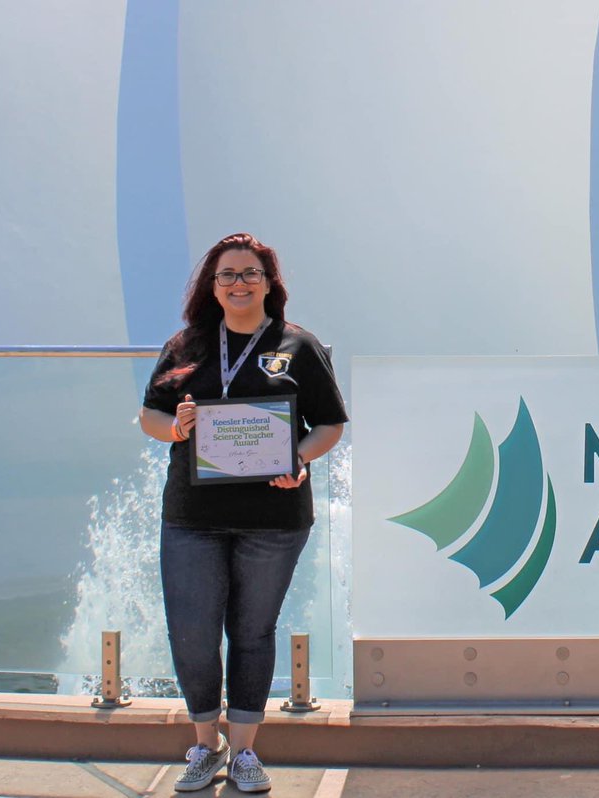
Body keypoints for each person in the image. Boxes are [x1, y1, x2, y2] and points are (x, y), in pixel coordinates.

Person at [139, 233, 347, 792]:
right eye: (227, 274)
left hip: (274, 517)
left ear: (269, 283)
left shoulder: (299, 347)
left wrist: (299, 457)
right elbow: (150, 418)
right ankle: (205, 747)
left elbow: (329, 425)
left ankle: (248, 752)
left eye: (250, 273)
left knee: (253, 632)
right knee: (192, 632)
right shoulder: (186, 347)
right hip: (191, 516)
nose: (238, 283)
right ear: (212, 285)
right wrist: (176, 427)